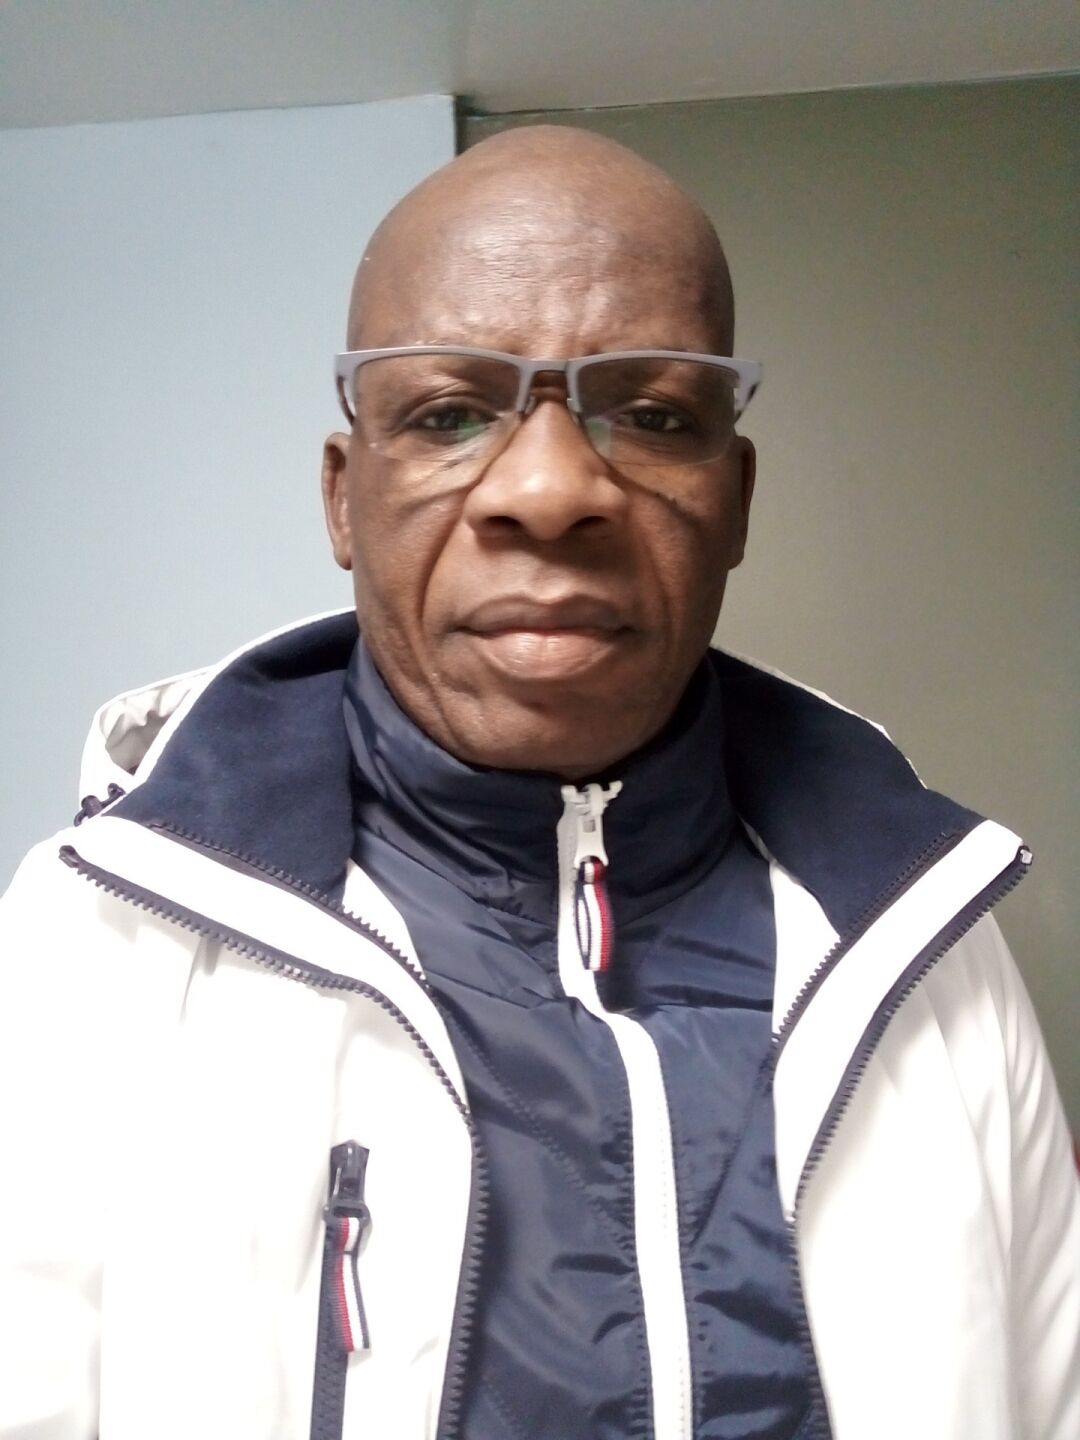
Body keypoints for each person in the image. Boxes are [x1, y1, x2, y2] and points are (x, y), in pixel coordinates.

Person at [0, 126, 1076, 1440]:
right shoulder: (97, 945)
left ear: (736, 499)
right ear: (343, 499)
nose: (553, 490)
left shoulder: (926, 954)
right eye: (448, 415)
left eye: (654, 414)